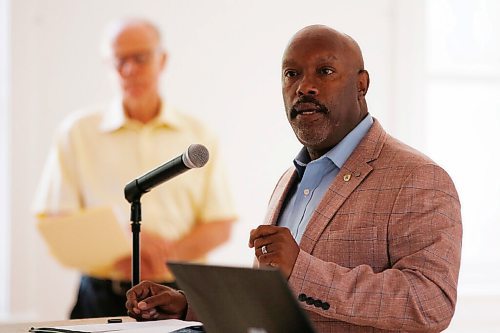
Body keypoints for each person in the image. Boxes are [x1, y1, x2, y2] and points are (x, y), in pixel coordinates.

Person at [125, 25, 462, 332]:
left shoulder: (419, 178)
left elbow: (430, 304)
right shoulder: (289, 179)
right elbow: (276, 306)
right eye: (292, 74)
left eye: (325, 71)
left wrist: (302, 269)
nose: (305, 87)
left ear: (362, 84)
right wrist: (187, 306)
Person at [33, 18, 237, 319]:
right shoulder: (76, 133)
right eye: (119, 61)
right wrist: (124, 243)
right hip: (101, 296)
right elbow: (55, 218)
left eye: (139, 58)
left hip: (178, 296)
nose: (129, 70)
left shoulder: (199, 135)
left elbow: (220, 224)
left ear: (162, 60)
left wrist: (167, 254)